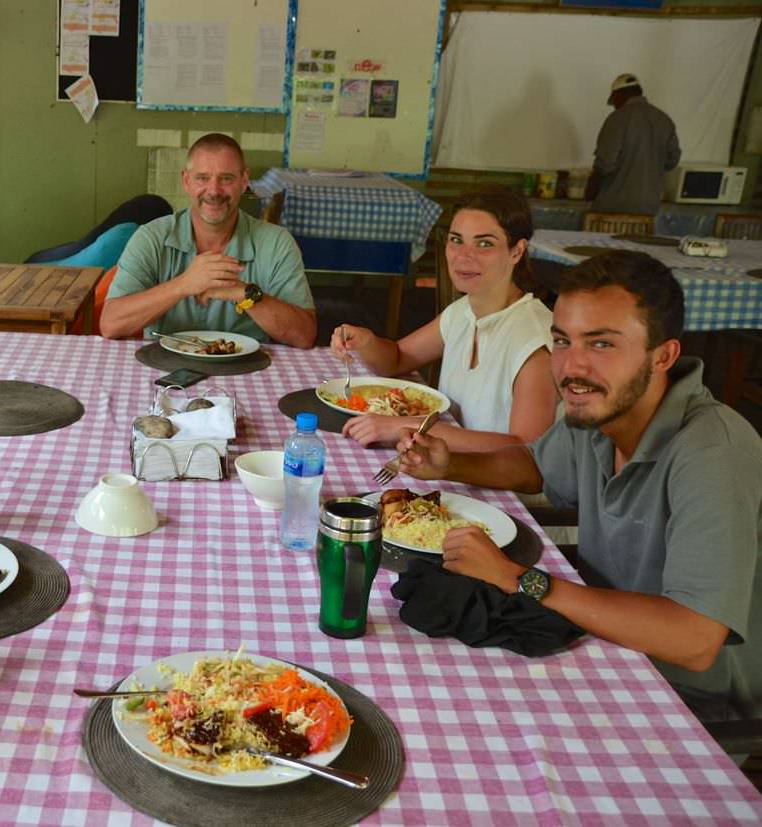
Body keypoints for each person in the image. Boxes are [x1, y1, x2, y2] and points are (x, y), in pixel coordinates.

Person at [396, 249, 761, 725]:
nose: (572, 367)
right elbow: (535, 466)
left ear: (663, 355)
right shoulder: (597, 413)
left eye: (602, 344)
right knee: (420, 691)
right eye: (563, 341)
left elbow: (694, 640)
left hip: (685, 703)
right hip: (592, 639)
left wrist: (517, 578)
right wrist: (451, 463)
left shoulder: (714, 454)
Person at [329, 186, 558, 450]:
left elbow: (528, 454)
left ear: (516, 251)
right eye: (456, 240)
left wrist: (409, 426)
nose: (463, 256)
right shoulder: (462, 311)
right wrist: (366, 341)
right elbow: (397, 358)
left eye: (485, 244)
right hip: (447, 466)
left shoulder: (534, 339)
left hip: (501, 489)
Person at [99, 133, 318, 348]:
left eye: (226, 179)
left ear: (244, 181)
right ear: (186, 181)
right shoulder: (151, 237)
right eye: (202, 178)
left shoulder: (277, 242)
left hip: (248, 373)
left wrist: (243, 292)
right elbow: (110, 324)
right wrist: (183, 285)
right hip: (165, 372)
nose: (214, 191)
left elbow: (304, 335)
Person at [586, 73, 681, 216]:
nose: (615, 106)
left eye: (614, 101)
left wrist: (590, 189)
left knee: (603, 239)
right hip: (650, 207)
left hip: (613, 206)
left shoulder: (617, 119)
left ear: (619, 94)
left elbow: (605, 163)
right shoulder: (664, 119)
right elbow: (672, 160)